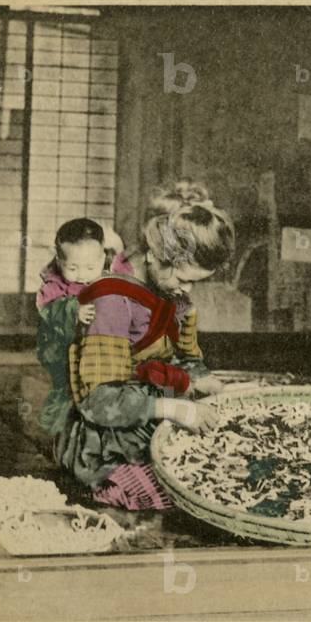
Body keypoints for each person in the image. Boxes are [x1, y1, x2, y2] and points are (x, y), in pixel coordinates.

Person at [52, 180, 234, 510]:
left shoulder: (174, 295)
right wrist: (177, 409)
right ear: (156, 254)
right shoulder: (112, 300)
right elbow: (98, 401)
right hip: (107, 442)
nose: (187, 290)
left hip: (154, 420)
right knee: (190, 498)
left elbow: (186, 356)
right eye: (183, 279)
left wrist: (206, 382)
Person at [36, 218, 134, 437]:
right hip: (68, 352)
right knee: (69, 398)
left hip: (103, 351)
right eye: (72, 267)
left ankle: (103, 430)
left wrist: (119, 249)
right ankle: (67, 436)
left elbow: (126, 270)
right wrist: (72, 310)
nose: (82, 274)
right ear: (59, 261)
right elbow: (48, 311)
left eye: (90, 267)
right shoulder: (55, 284)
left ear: (102, 258)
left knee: (105, 392)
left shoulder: (108, 269)